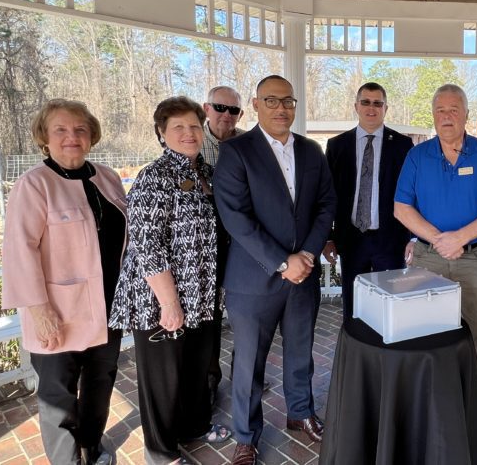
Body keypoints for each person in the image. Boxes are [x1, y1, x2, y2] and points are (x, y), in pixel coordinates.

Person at [214, 75, 336, 464]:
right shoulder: (237, 151)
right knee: (249, 360)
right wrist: (284, 261)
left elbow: (325, 205)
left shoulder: (312, 151)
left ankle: (300, 413)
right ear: (256, 105)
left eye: (288, 101)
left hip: (303, 276)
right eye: (272, 101)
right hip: (254, 280)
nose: (281, 108)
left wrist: (308, 254)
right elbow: (236, 216)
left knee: (301, 351)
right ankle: (246, 436)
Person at [1, 99, 127, 465]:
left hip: (108, 307)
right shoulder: (35, 184)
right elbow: (18, 252)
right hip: (58, 312)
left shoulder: (107, 177)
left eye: (80, 129)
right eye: (61, 129)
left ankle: (91, 445)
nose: (72, 136)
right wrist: (39, 311)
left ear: (91, 136)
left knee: (100, 384)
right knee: (58, 397)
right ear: (45, 137)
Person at [109, 96, 230, 465]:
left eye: (194, 125)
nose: (188, 133)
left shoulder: (205, 173)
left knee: (196, 370)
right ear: (162, 134)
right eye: (178, 127)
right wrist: (169, 302)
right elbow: (147, 246)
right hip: (163, 300)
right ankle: (160, 451)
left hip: (203, 295)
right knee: (162, 380)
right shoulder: (154, 177)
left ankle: (194, 425)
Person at [394, 83, 477, 427]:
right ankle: (429, 393)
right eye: (440, 110)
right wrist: (438, 240)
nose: (447, 116)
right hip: (429, 256)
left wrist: (460, 238)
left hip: (474, 257)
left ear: (466, 115)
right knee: (425, 328)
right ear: (433, 116)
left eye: (454, 109)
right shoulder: (417, 156)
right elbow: (402, 208)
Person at [199, 86, 271, 406]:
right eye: (220, 107)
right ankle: (209, 378)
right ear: (207, 108)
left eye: (234, 111)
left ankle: (245, 373)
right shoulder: (192, 142)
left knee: (246, 311)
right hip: (206, 242)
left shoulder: (248, 144)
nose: (227, 115)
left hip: (242, 240)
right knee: (209, 313)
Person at [323, 82, 413, 319]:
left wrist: (411, 237)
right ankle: (356, 353)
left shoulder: (404, 146)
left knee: (391, 307)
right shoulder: (336, 145)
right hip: (351, 240)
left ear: (386, 108)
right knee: (353, 307)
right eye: (365, 102)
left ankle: (388, 353)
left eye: (377, 103)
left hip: (391, 240)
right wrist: (328, 237)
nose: (371, 108)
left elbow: (412, 194)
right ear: (356, 106)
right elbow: (328, 196)